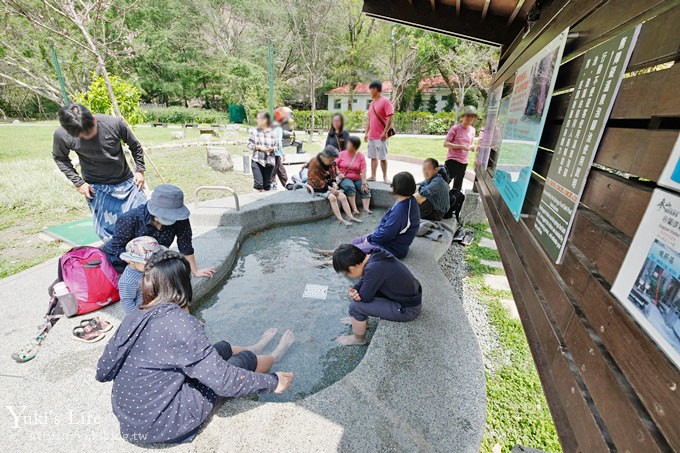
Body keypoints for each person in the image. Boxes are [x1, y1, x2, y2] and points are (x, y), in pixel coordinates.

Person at [96, 250, 295, 445]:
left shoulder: (134, 316)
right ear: (184, 283)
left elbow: (103, 370)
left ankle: (257, 345)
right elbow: (224, 381)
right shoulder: (180, 323)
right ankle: (276, 355)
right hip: (161, 425)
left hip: (130, 422)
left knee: (221, 348)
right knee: (243, 362)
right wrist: (272, 382)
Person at [53, 104, 147, 242]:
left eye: (90, 131)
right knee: (110, 233)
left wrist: (140, 171)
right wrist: (79, 183)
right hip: (96, 188)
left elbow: (135, 146)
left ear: (94, 120)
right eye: (82, 135)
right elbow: (60, 158)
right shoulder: (62, 135)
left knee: (143, 220)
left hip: (126, 182)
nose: (88, 136)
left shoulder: (113, 123)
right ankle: (117, 259)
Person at [102, 184, 216, 278]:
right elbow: (118, 248)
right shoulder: (130, 219)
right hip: (124, 261)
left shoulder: (180, 219)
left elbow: (185, 244)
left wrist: (195, 271)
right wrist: (138, 265)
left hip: (153, 259)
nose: (172, 218)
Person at [332, 244, 422, 346]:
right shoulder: (376, 256)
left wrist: (356, 294)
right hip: (406, 298)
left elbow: (365, 298)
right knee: (359, 294)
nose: (347, 276)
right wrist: (356, 289)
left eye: (346, 274)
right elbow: (366, 279)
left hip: (407, 310)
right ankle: (359, 320)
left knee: (355, 306)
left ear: (352, 268)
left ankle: (358, 339)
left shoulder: (374, 269)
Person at [350, 171, 419, 259]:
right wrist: (372, 236)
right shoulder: (408, 199)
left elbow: (387, 234)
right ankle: (335, 254)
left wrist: (371, 239)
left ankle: (333, 258)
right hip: (388, 240)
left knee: (353, 252)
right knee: (355, 242)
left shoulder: (401, 211)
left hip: (393, 248)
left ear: (397, 187)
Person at [307, 145, 362, 226]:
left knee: (342, 196)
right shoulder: (314, 162)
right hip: (316, 186)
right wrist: (330, 188)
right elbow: (315, 179)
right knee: (332, 198)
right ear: (325, 156)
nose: (332, 161)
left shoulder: (331, 162)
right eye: (331, 159)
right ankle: (340, 219)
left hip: (328, 184)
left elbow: (333, 174)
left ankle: (350, 216)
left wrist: (334, 183)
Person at [118, 236, 162, 313]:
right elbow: (127, 303)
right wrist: (136, 319)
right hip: (145, 311)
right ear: (131, 261)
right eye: (147, 263)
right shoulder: (127, 281)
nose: (152, 265)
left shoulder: (146, 269)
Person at [364, 81, 394, 184]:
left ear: (375, 89)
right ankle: (373, 175)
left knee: (383, 157)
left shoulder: (385, 101)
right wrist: (366, 133)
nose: (370, 92)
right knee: (373, 157)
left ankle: (385, 177)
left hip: (381, 136)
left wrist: (385, 132)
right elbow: (369, 120)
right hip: (372, 136)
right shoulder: (371, 104)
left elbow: (390, 117)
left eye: (371, 89)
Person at [444, 105, 477, 192]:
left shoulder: (473, 130)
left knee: (457, 188)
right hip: (452, 161)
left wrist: (472, 147)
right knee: (444, 184)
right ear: (462, 117)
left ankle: (454, 203)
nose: (470, 118)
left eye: (472, 116)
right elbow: (445, 143)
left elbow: (471, 143)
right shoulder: (455, 128)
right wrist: (460, 147)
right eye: (468, 116)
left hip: (463, 162)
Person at [336, 136, 372, 215]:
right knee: (350, 186)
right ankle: (354, 208)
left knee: (365, 188)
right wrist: (339, 173)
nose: (347, 144)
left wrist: (364, 182)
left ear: (354, 146)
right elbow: (334, 165)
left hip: (357, 177)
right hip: (344, 177)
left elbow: (363, 170)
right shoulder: (341, 154)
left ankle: (366, 208)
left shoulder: (360, 156)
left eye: (349, 143)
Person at [248, 111, 279, 192]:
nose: (256, 120)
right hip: (257, 160)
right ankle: (255, 202)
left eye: (258, 118)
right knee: (258, 185)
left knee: (266, 186)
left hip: (269, 162)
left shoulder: (273, 133)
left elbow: (277, 146)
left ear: (265, 120)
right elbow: (249, 144)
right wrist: (258, 147)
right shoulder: (255, 132)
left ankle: (265, 203)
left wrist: (272, 149)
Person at [270, 119, 288, 190]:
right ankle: (272, 185)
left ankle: (287, 184)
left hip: (270, 152)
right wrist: (283, 154)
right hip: (276, 152)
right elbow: (279, 143)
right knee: (274, 171)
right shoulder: (278, 128)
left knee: (280, 170)